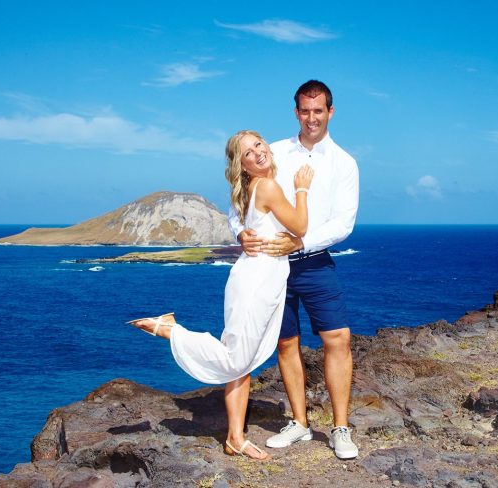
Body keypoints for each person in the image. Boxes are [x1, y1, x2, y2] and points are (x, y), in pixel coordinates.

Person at [127, 130, 314, 461]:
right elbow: (299, 226)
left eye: (258, 145)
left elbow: (240, 220)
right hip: (255, 284)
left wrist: (242, 232)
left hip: (260, 279)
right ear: (241, 165)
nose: (257, 153)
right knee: (235, 360)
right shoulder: (268, 186)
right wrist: (302, 188)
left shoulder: (251, 188)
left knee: (242, 364)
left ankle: (235, 438)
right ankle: (170, 329)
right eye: (247, 153)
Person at [228, 80, 360, 459]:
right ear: (296, 111)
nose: (312, 117)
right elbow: (239, 198)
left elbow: (344, 222)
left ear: (330, 112)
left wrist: (302, 242)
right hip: (269, 265)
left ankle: (340, 428)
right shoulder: (276, 152)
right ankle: (300, 424)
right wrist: (241, 233)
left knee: (338, 339)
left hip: (314, 263)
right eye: (305, 110)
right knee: (286, 343)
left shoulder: (345, 163)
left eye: (319, 110)